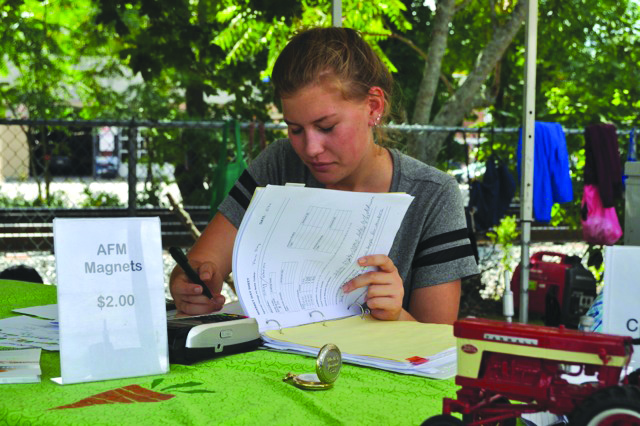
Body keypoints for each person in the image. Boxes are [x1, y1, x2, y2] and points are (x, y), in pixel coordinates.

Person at [170, 27, 478, 324]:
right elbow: (202, 265)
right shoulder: (277, 164)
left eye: (327, 127)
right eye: (295, 129)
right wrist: (191, 284)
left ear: (373, 107)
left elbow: (440, 346)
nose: (311, 148)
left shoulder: (433, 195)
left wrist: (397, 315)